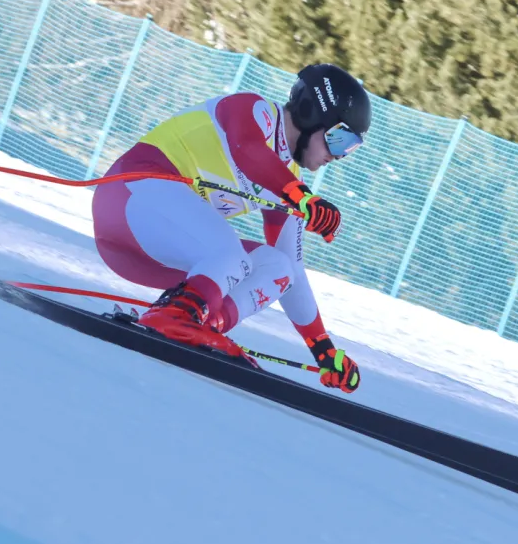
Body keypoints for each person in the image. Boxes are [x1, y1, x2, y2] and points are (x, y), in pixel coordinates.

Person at [91, 63, 369, 393]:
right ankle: (173, 318)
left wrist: (323, 349)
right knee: (232, 254)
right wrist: (301, 197)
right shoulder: (256, 111)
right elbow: (247, 149)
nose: (338, 156)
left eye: (350, 148)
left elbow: (291, 269)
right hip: (128, 197)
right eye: (339, 140)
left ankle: (200, 320)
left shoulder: (289, 182)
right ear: (313, 115)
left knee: (277, 268)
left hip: (143, 252)